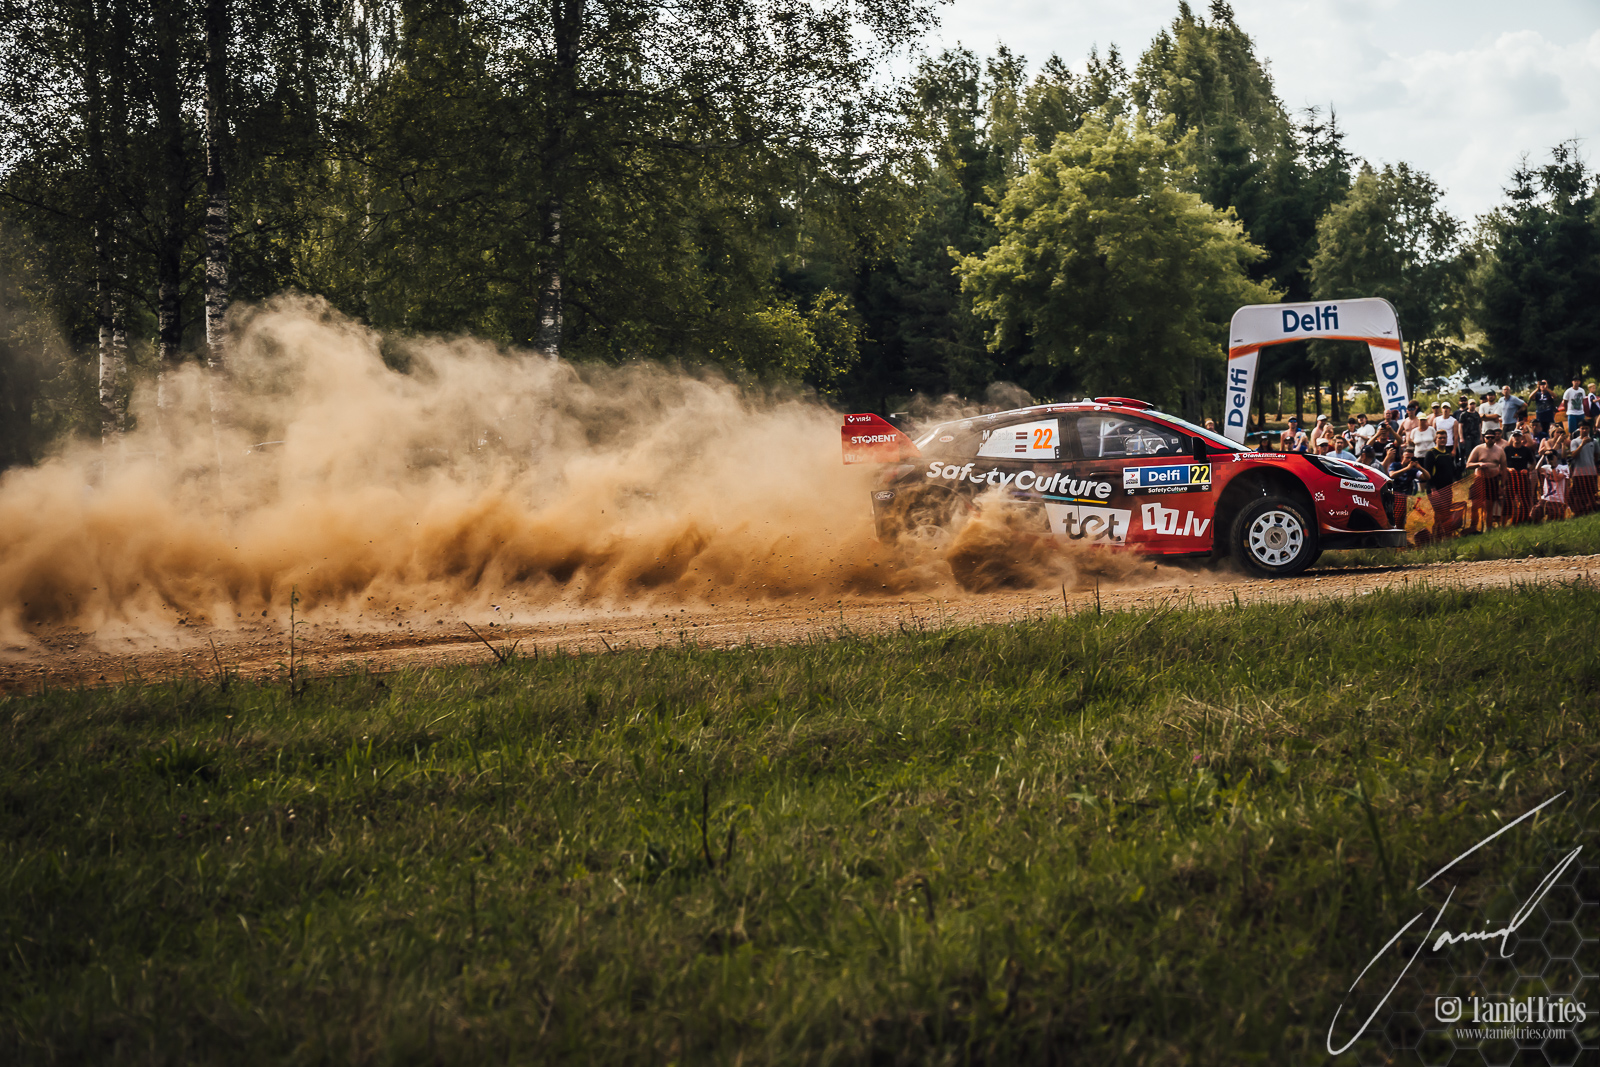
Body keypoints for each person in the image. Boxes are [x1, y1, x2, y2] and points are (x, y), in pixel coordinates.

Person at [1420, 430, 1463, 539]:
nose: (1442, 440)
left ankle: (1444, 535)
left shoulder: (1448, 452)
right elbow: (1428, 473)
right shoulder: (1431, 454)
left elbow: (1451, 469)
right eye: (1440, 438)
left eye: (1444, 438)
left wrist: (1457, 478)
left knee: (1446, 512)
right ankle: (1437, 536)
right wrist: (1433, 489)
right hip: (1435, 490)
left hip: (1447, 489)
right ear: (1436, 440)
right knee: (1440, 513)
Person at [1465, 428, 1507, 531]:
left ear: (1495, 438)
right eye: (1488, 437)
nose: (1490, 439)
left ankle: (1488, 528)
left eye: (1492, 437)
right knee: (1475, 505)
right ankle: (1473, 528)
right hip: (1479, 480)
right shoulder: (1478, 449)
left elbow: (1504, 469)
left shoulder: (1500, 450)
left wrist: (1502, 485)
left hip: (1493, 480)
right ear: (1484, 438)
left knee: (1489, 505)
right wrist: (1479, 464)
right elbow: (1468, 465)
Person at [1503, 428, 1537, 524]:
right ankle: (1509, 521)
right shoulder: (1507, 449)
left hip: (1523, 477)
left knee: (1525, 498)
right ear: (1512, 438)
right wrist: (1508, 469)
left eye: (1518, 436)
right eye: (1515, 436)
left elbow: (1533, 463)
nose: (1516, 438)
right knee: (1509, 499)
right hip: (1511, 477)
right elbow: (1502, 463)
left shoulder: (1526, 450)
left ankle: (1525, 519)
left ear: (1522, 437)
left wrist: (1528, 470)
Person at [1569, 424, 1597, 516]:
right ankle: (1579, 512)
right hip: (1578, 473)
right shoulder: (1574, 441)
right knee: (1578, 494)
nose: (1584, 430)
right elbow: (1573, 455)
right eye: (1582, 428)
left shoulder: (1594, 441)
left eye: (1586, 428)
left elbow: (1596, 456)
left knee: (1591, 492)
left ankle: (1591, 510)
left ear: (1590, 429)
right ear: (1579, 429)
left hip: (1591, 472)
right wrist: (1582, 444)